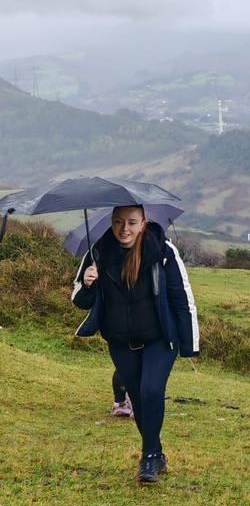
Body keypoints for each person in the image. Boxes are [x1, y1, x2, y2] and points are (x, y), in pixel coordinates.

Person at [71, 205, 199, 483]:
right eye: (118, 222)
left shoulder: (163, 251)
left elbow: (182, 299)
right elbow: (79, 300)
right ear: (111, 223)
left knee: (151, 390)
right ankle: (156, 452)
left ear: (143, 223)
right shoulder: (98, 252)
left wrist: (189, 345)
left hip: (160, 339)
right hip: (120, 341)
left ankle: (148, 456)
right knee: (139, 399)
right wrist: (88, 283)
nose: (124, 229)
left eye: (131, 222)